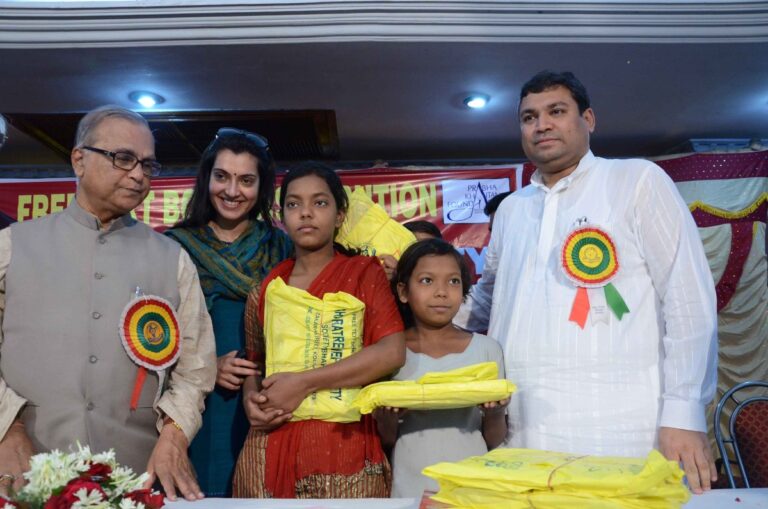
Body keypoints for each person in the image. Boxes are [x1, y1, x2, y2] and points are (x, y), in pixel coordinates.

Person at [454, 71, 718, 493]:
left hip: (625, 426)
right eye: (529, 117)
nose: (541, 125)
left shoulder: (637, 181)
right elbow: (487, 297)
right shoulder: (512, 210)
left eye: (556, 111)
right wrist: (415, 318)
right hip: (522, 426)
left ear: (589, 119)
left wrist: (683, 413)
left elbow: (688, 300)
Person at [0, 105, 216, 500]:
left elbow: (196, 366)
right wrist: (7, 429)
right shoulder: (13, 246)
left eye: (148, 165)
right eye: (123, 158)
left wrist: (174, 433)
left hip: (134, 482)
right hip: (21, 476)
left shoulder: (173, 259)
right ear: (79, 160)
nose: (137, 174)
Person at [232, 162, 406, 498]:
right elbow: (256, 363)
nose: (306, 213)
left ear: (340, 215)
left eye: (320, 203)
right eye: (294, 204)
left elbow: (391, 352)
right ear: (281, 216)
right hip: (271, 443)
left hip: (345, 443)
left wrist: (304, 382)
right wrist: (250, 400)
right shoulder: (267, 288)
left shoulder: (365, 274)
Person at [165, 128, 293, 496]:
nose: (232, 191)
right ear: (207, 179)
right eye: (222, 177)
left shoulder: (283, 248)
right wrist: (206, 366)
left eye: (246, 180)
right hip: (199, 406)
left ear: (262, 188)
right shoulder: (174, 248)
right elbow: (150, 337)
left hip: (268, 400)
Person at [375, 239, 508, 498]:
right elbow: (386, 442)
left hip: (472, 492)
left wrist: (495, 412)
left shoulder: (487, 350)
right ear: (403, 291)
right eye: (427, 281)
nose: (442, 292)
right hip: (410, 491)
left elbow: (493, 439)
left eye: (453, 281)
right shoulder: (388, 353)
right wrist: (386, 419)